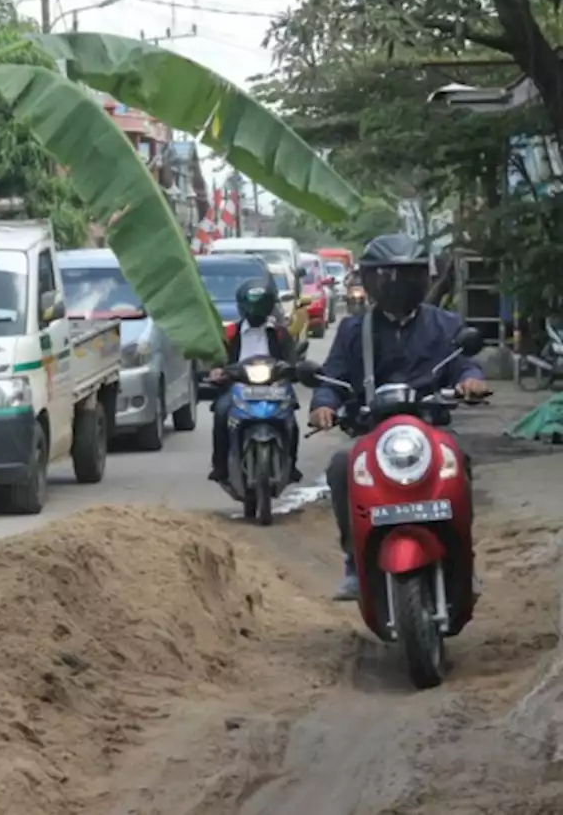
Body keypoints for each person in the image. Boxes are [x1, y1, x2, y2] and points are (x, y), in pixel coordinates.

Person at [307, 234, 488, 601]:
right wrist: (323, 404)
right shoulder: (353, 330)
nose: (396, 284)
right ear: (371, 280)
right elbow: (334, 375)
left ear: (423, 278)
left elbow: (465, 361)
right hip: (373, 432)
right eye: (386, 276)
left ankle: (462, 560)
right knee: (342, 466)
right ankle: (354, 563)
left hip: (431, 427)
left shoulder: (445, 323)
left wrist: (471, 380)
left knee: (458, 459)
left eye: (407, 275)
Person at [207, 278, 300, 485]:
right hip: (238, 385)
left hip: (274, 386)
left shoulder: (279, 333)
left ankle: (291, 465)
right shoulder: (230, 333)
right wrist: (217, 371)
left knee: (291, 421)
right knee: (221, 414)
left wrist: (293, 369)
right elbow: (218, 360)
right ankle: (220, 465)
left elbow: (291, 360)